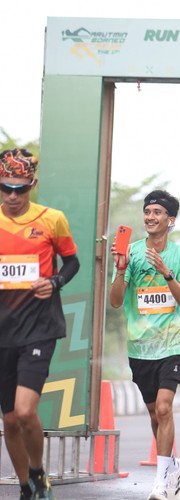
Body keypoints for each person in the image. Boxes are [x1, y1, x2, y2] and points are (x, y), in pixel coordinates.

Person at [0, 148, 80, 499]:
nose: (12, 195)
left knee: (24, 410)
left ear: (32, 185)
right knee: (9, 420)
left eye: (20, 188)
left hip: (39, 328)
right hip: (3, 332)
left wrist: (55, 282)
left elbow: (72, 262)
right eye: (6, 188)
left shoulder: (52, 219)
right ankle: (25, 486)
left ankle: (38, 471)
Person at [110, 189, 180, 500]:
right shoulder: (130, 253)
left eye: (157, 212)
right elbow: (116, 301)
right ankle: (171, 466)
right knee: (153, 413)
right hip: (141, 346)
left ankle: (161, 482)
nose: (150, 217)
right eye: (147, 211)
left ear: (170, 220)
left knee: (163, 407)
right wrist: (121, 269)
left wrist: (166, 273)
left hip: (172, 343)